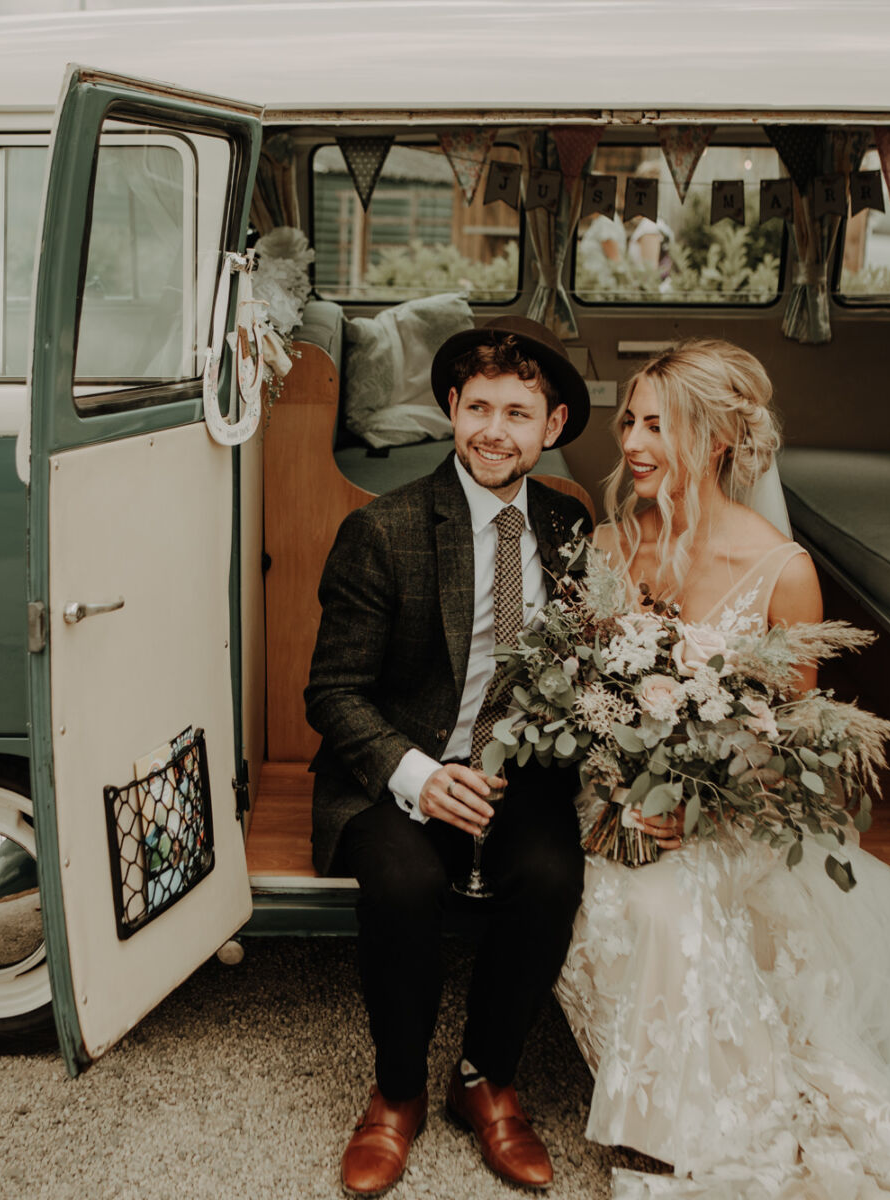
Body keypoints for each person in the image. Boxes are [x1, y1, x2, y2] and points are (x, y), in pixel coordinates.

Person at [555, 338, 890, 1199]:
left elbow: (786, 743)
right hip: (612, 796)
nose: (630, 442)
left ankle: (691, 1125)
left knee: (672, 906)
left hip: (728, 811)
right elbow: (586, 698)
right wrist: (619, 783)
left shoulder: (784, 574)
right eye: (628, 420)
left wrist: (694, 808)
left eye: (656, 426)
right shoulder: (605, 544)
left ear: (715, 440)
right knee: (617, 891)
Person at [306, 315, 594, 1195]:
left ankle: (487, 1078)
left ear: (550, 429)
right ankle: (396, 1092)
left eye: (518, 412)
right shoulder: (384, 531)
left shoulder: (569, 526)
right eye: (478, 408)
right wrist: (420, 778)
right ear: (449, 410)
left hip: (522, 771)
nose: (494, 431)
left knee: (549, 878)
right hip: (397, 770)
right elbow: (332, 694)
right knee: (404, 883)